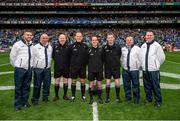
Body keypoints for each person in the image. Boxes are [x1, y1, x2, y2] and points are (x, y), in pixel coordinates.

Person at [139, 31, 165, 107]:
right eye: (148, 35)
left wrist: (156, 65)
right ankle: (149, 98)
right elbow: (141, 57)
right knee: (147, 85)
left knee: (155, 86)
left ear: (153, 36)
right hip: (145, 70)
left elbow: (162, 58)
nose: (149, 36)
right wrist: (143, 65)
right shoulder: (143, 45)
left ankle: (158, 101)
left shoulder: (157, 46)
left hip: (154, 70)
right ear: (145, 36)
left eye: (151, 35)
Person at [10, 31, 33, 111]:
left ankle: (25, 102)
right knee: (18, 87)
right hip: (20, 69)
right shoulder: (17, 44)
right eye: (28, 35)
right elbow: (12, 57)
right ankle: (17, 104)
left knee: (26, 87)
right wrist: (17, 65)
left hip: (29, 69)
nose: (29, 36)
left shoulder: (31, 45)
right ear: (23, 35)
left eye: (30, 35)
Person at [31, 33, 52, 105]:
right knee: (37, 85)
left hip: (47, 69)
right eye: (43, 38)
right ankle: (35, 99)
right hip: (38, 69)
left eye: (46, 38)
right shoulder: (35, 47)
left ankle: (45, 97)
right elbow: (32, 58)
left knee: (47, 84)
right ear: (40, 39)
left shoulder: (50, 47)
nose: (45, 39)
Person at [69, 31, 88, 102]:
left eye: (80, 36)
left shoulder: (85, 46)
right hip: (74, 68)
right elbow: (69, 57)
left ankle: (83, 96)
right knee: (73, 81)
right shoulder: (71, 46)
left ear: (82, 37)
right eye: (77, 36)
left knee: (82, 82)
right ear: (75, 37)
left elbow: (87, 57)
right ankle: (73, 96)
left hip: (82, 67)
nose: (79, 37)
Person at [103, 32, 122, 103]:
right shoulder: (104, 47)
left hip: (116, 68)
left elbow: (119, 56)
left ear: (113, 38)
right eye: (109, 38)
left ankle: (118, 97)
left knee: (117, 82)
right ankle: (107, 97)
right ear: (107, 39)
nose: (110, 39)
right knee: (107, 82)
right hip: (108, 68)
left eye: (111, 37)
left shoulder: (118, 47)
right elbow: (103, 58)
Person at [121, 36, 140, 104]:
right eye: (127, 40)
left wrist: (137, 65)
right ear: (125, 41)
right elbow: (121, 58)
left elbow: (140, 58)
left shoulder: (137, 49)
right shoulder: (123, 49)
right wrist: (123, 65)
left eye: (130, 40)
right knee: (126, 84)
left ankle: (136, 98)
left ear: (133, 40)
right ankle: (128, 97)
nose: (129, 41)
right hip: (125, 69)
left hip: (134, 70)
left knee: (135, 84)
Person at [52, 34, 70, 101]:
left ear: (65, 39)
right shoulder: (55, 47)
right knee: (57, 81)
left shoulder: (69, 47)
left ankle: (65, 95)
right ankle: (56, 96)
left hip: (66, 67)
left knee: (66, 81)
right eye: (61, 38)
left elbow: (70, 57)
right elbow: (53, 56)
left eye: (63, 38)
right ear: (58, 39)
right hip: (57, 67)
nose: (62, 39)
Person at [88, 35, 103, 104]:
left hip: (99, 70)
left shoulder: (101, 50)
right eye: (93, 40)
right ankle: (91, 98)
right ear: (91, 41)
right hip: (91, 70)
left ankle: (100, 98)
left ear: (97, 41)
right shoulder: (88, 50)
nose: (94, 41)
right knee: (91, 84)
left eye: (95, 40)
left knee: (99, 84)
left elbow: (103, 59)